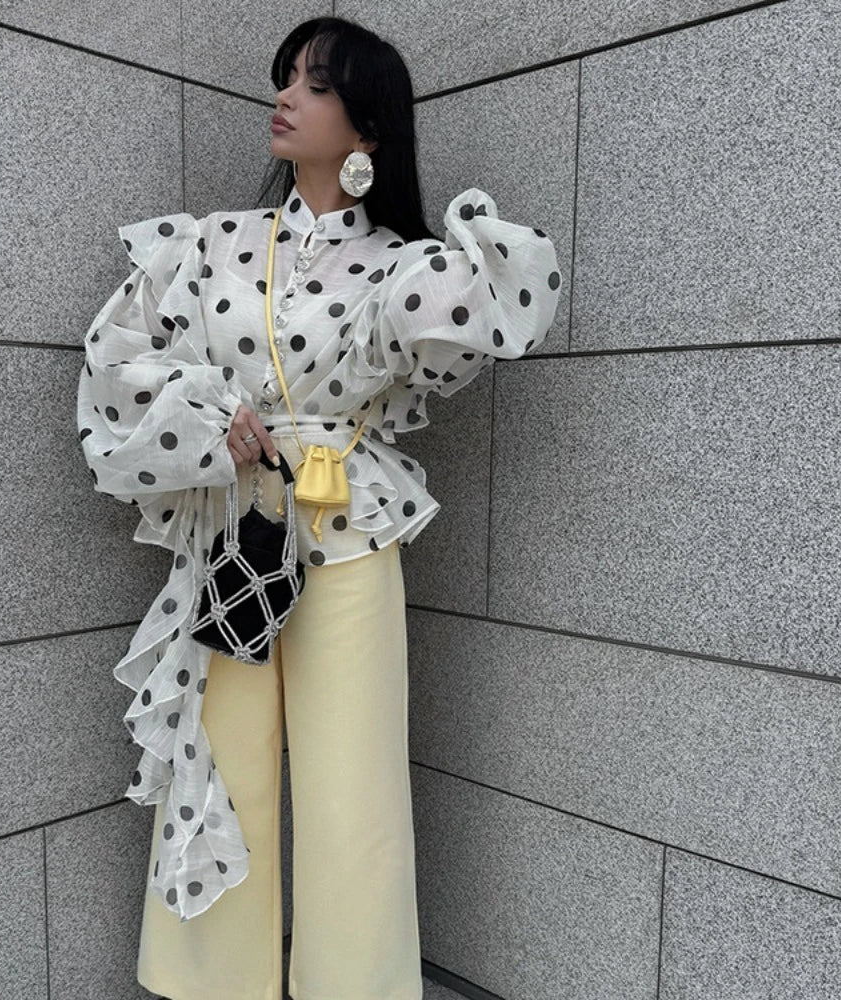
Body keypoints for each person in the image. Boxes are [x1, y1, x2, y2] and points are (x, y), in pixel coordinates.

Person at [76, 14, 561, 1000]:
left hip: (348, 535)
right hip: (238, 531)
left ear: (368, 129)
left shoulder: (396, 266)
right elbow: (118, 357)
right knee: (226, 765)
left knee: (353, 789)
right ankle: (209, 985)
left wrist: (458, 235)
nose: (286, 96)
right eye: (286, 76)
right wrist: (210, 411)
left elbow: (506, 292)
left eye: (317, 84)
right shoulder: (210, 246)